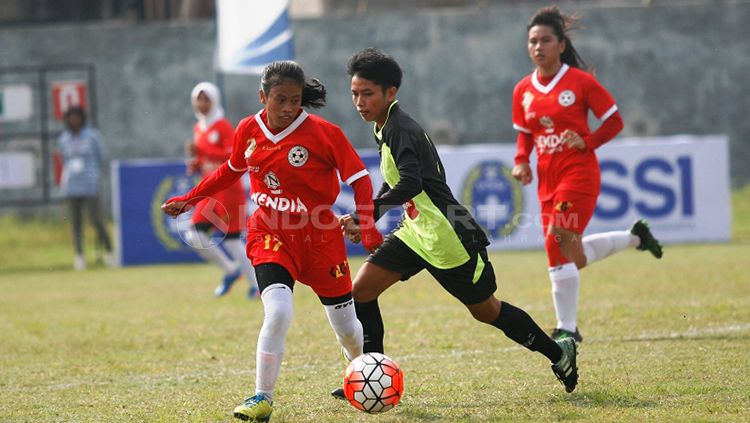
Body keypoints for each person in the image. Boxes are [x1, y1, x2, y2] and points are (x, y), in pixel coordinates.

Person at [332, 47, 579, 400]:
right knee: (363, 291)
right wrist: (369, 214)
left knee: (487, 311)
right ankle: (371, 374)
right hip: (418, 232)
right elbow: (396, 181)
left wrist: (367, 212)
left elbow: (412, 183)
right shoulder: (383, 125)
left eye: (367, 94)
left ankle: (559, 353)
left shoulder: (400, 128)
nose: (359, 101)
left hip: (449, 234)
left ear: (391, 93)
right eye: (354, 93)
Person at [161, 61, 383, 422]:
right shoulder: (249, 129)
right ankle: (261, 397)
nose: (288, 108)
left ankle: (357, 370)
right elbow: (230, 169)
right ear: (263, 96)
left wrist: (366, 224)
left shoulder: (325, 134)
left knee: (347, 329)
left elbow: (359, 178)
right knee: (278, 311)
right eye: (280, 99)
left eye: (295, 100)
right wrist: (192, 198)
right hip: (270, 233)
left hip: (320, 239)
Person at [511, 6, 663, 343]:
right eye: (533, 41)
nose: (538, 47)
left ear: (561, 44)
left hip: (578, 175)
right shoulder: (523, 89)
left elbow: (614, 120)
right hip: (547, 181)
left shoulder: (580, 82)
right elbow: (524, 133)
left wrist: (588, 141)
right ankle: (636, 237)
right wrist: (521, 161)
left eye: (546, 40)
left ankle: (568, 329)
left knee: (556, 240)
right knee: (571, 255)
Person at [185, 82, 259, 298]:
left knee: (232, 239)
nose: (202, 104)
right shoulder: (199, 127)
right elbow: (205, 158)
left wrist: (201, 150)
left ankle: (256, 285)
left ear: (215, 100)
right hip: (209, 189)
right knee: (194, 235)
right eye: (199, 99)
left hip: (227, 189)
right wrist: (197, 164)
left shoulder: (224, 127)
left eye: (206, 99)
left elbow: (231, 157)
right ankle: (230, 269)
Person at [57, 106, 114, 270]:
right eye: (70, 117)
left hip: (90, 183)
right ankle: (79, 256)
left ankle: (109, 251)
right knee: (75, 223)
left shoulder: (92, 136)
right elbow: (64, 159)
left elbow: (101, 156)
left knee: (97, 220)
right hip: (71, 184)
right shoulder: (64, 138)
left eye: (77, 117)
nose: (74, 120)